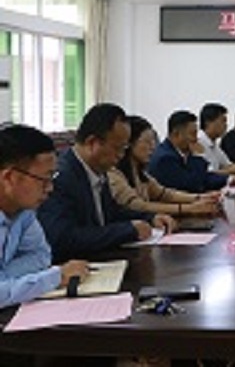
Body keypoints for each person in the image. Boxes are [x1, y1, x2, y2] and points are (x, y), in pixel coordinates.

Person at [37, 103, 175, 263]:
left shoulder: (97, 169)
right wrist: (128, 231)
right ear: (92, 143)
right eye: (118, 148)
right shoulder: (61, 177)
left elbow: (110, 213)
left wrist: (150, 218)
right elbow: (63, 238)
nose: (121, 155)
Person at [0, 125, 89, 308]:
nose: (50, 188)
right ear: (9, 178)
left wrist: (4, 276)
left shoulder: (24, 212)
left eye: (52, 178)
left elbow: (41, 256)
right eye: (44, 179)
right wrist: (55, 277)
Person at [109, 115, 220, 216]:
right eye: (147, 142)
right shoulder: (115, 174)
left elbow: (164, 193)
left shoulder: (140, 173)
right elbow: (140, 206)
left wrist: (200, 197)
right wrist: (189, 208)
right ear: (129, 143)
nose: (153, 147)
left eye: (154, 141)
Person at [148, 110, 235, 193]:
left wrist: (230, 179)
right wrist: (198, 156)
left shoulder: (181, 151)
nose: (196, 139)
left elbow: (204, 177)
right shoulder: (165, 158)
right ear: (176, 134)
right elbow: (194, 185)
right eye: (193, 134)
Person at [197, 103, 235, 174]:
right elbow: (208, 174)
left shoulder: (214, 145)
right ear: (208, 122)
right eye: (223, 121)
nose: (226, 125)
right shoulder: (198, 142)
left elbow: (228, 165)